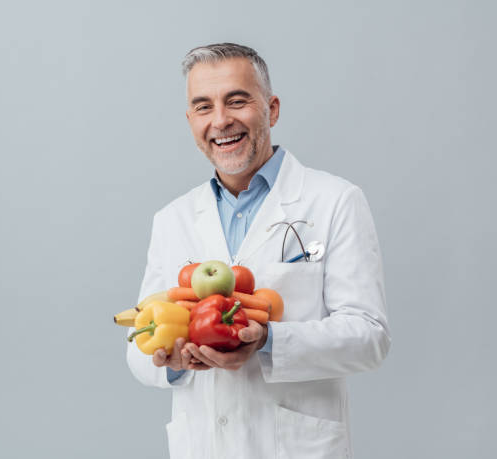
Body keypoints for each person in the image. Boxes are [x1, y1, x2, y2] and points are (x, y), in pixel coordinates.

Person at [126, 43, 391, 459]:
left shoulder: (336, 200)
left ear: (272, 108)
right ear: (190, 120)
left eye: (237, 100)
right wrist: (172, 362)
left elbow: (369, 337)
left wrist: (270, 342)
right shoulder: (172, 219)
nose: (221, 121)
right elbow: (136, 348)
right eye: (203, 107)